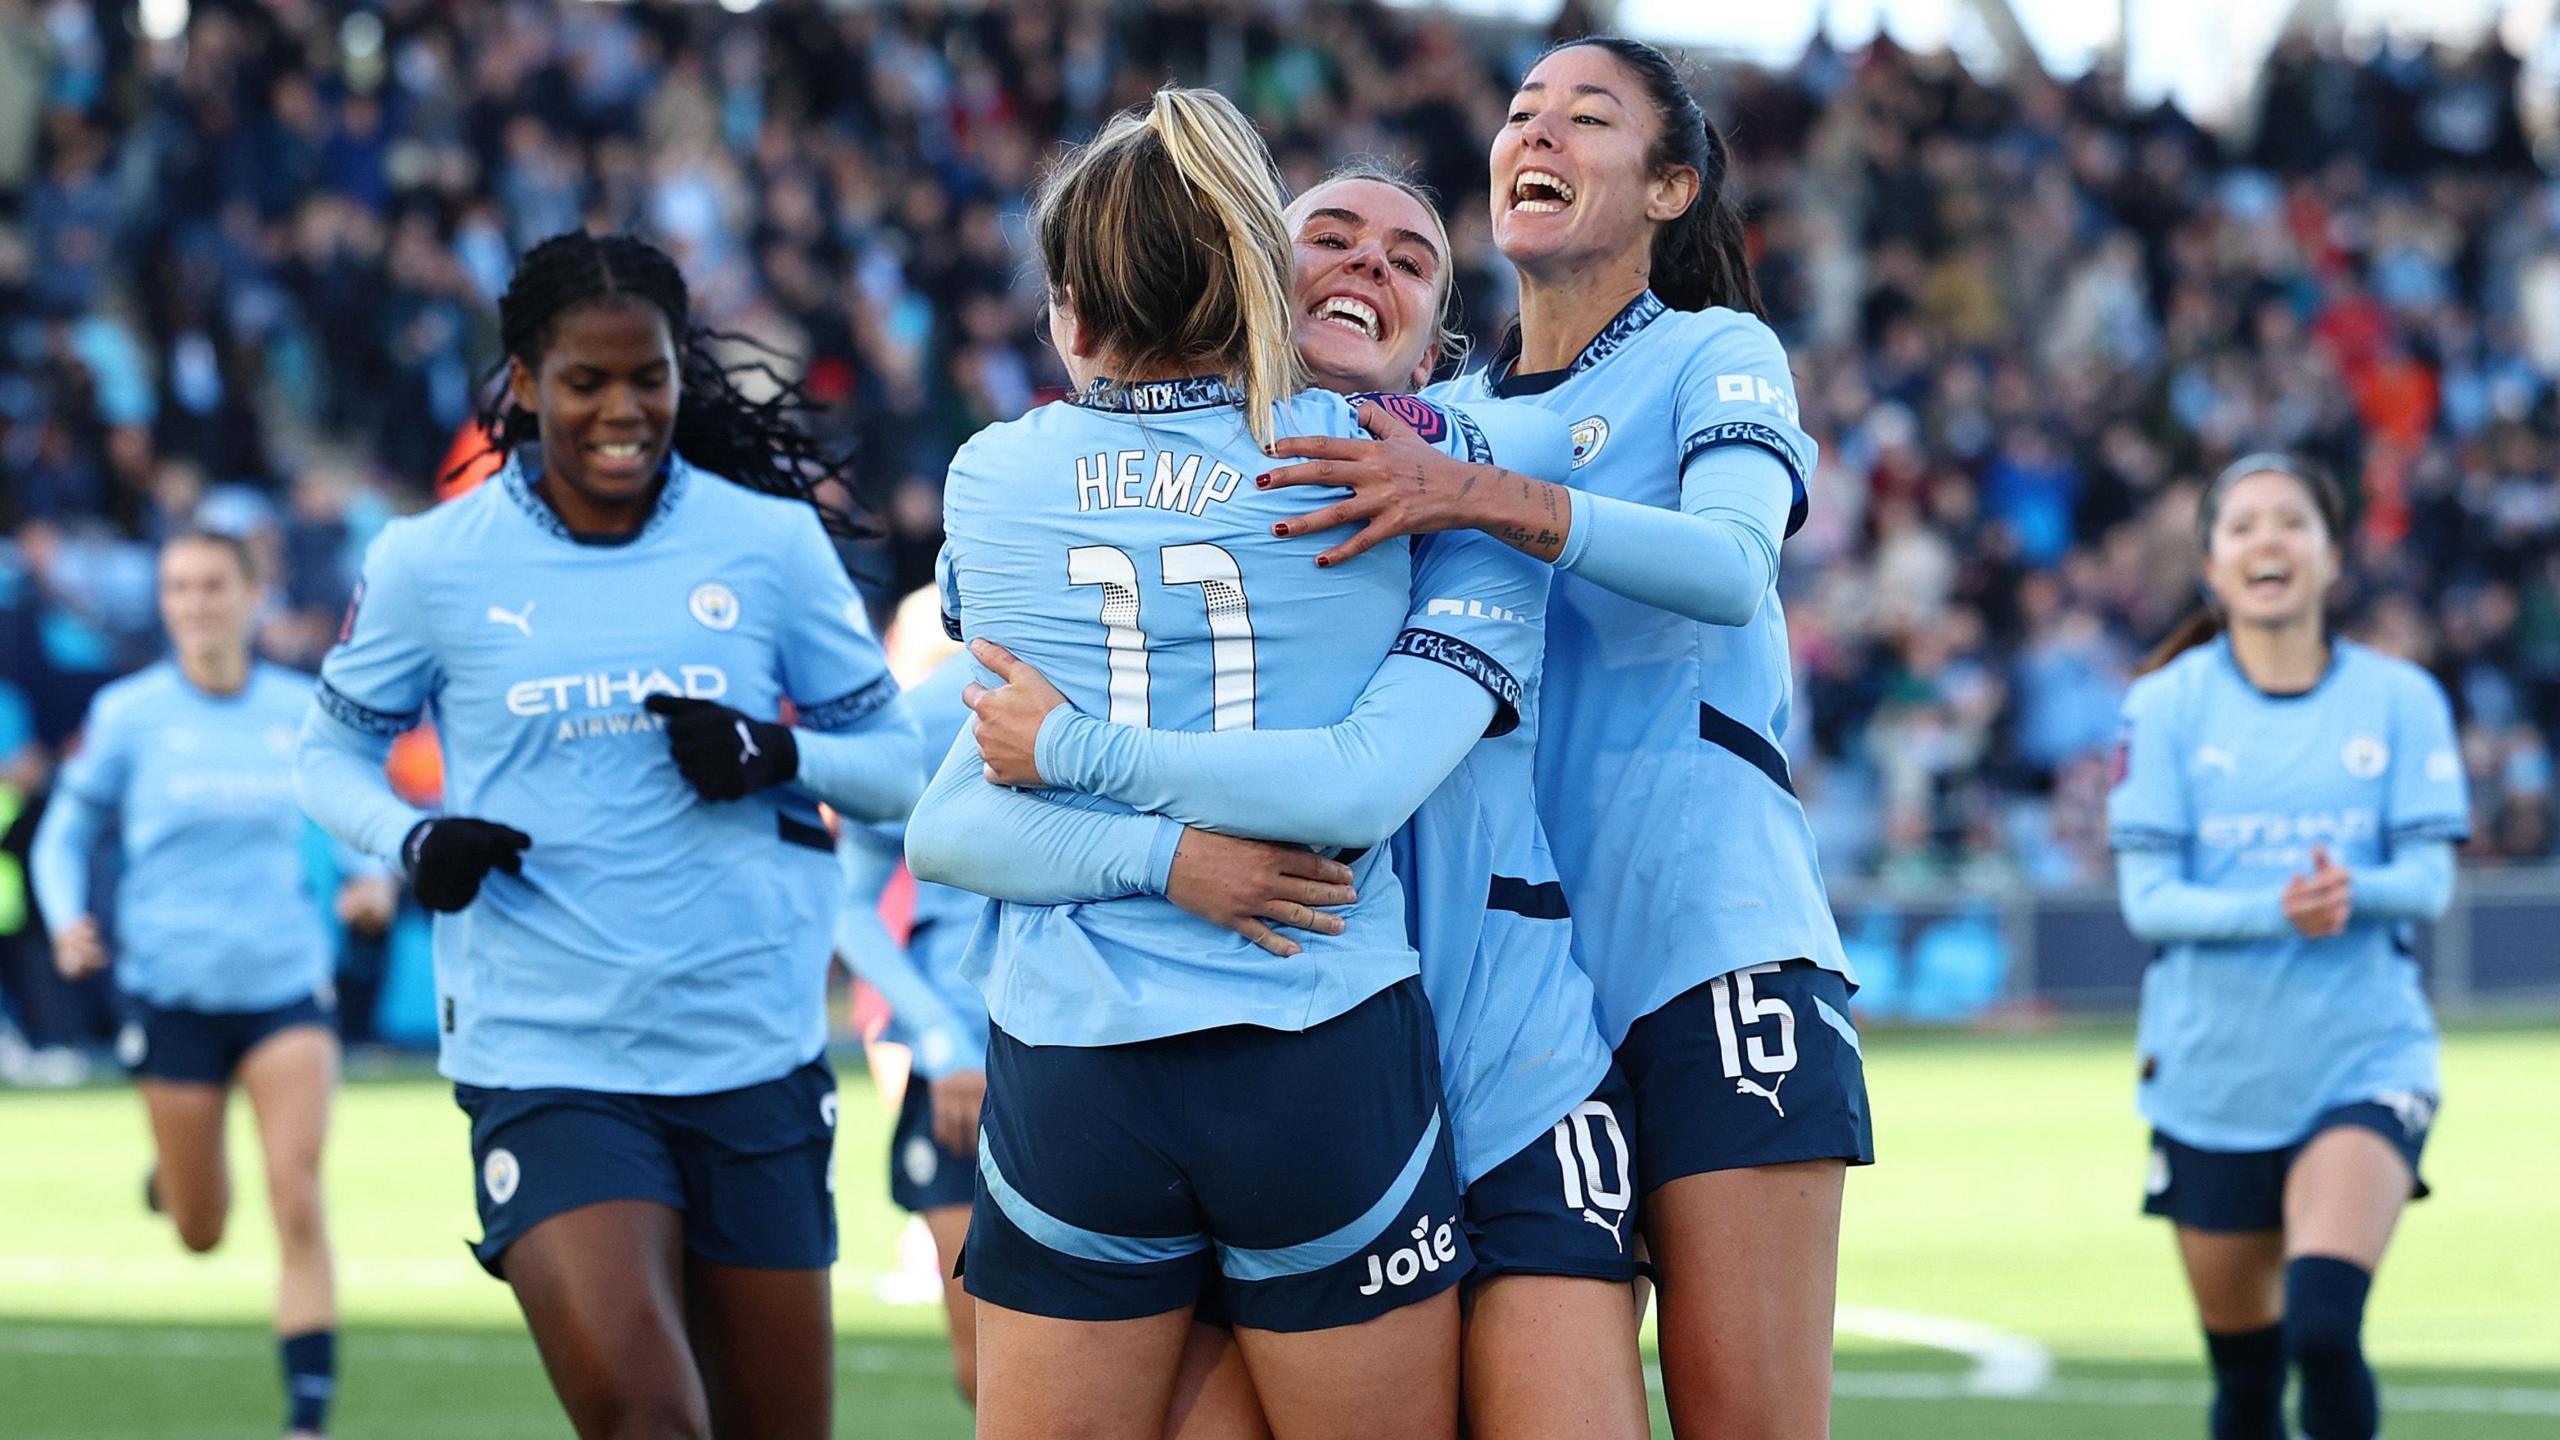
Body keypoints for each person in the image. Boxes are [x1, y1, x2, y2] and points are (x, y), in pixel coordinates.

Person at [950, 163, 1647, 1439]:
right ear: (1248, 281)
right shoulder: (1090, 483)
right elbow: (956, 805)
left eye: (1409, 257)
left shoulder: (1481, 492)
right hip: (1266, 1059)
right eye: (1328, 238)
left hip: (1499, 1076)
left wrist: (1080, 754)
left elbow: (1361, 783)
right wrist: (1174, 858)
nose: (1367, 265)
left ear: (1437, 345)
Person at [1256, 38, 1874, 1439]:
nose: (1538, 131)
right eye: (1522, 110)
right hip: (1509, 1009)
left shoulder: (1711, 352)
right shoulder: (1445, 421)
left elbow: (1732, 566)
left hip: (1702, 952)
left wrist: (1475, 495)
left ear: (1667, 185)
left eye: (1588, 116)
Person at [293, 230, 927, 1440]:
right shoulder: (434, 561)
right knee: (649, 1418)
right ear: (526, 383)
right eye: (587, 381)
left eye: (650, 377)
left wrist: (775, 751)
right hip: (549, 1059)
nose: (623, 409)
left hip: (751, 1050)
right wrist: (413, 841)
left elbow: (898, 767)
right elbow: (328, 755)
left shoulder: (768, 544)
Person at [2109, 455, 2466, 1440]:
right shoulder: (2164, 707)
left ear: (2330, 554)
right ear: (2212, 567)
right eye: (2243, 526)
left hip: (2362, 1055)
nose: (2268, 540)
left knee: (2320, 1327)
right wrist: (2284, 907)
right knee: (2249, 1379)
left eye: (2291, 522)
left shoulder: (2399, 700)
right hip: (2211, 1079)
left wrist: (2347, 895)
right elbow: (2148, 901)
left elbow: (2428, 882)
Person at [30, 529, 395, 1440]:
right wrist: (69, 914)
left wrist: (372, 881)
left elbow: (353, 817)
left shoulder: (299, 708)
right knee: (201, 1230)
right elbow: (62, 836)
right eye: (177, 588)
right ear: (163, 602)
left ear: (250, 594)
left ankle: (307, 1418)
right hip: (170, 993)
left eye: (211, 586)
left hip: (283, 988)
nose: (194, 604)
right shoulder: (130, 715)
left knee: (296, 1191)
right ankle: (176, 1175)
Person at [831, 588, 990, 1408]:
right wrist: (941, 1041)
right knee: (984, 1368)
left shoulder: (1131, 680)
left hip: (1098, 1054)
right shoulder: (923, 718)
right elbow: (846, 904)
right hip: (960, 1068)